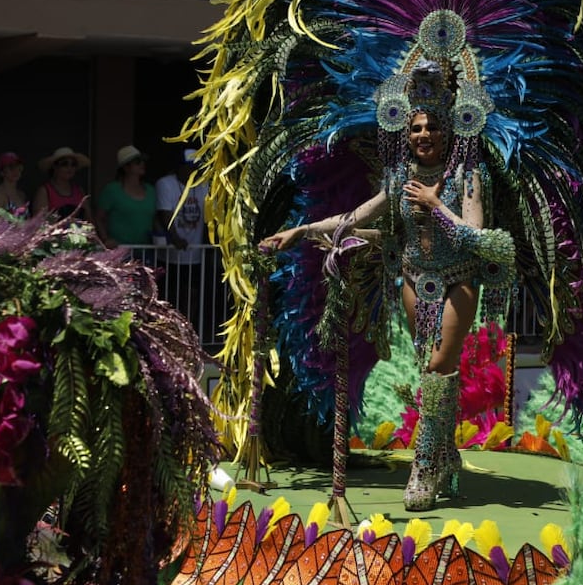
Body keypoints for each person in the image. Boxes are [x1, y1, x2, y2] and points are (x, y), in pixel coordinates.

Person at [260, 61, 513, 511]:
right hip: (415, 281)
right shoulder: (399, 179)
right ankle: (447, 455)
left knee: (438, 366)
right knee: (433, 373)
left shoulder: (467, 177)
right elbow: (356, 217)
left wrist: (436, 204)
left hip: (458, 282)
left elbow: (480, 238)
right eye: (416, 127)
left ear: (450, 129)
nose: (422, 135)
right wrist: (300, 232)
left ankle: (425, 465)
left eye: (432, 126)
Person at [155, 148, 210, 327]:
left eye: (196, 168)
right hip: (172, 254)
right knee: (172, 294)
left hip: (194, 253)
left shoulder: (202, 185)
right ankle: (170, 329)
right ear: (179, 167)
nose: (192, 171)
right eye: (189, 167)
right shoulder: (166, 184)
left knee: (192, 293)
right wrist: (175, 237)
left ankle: (187, 328)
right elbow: (165, 214)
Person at [96, 145, 157, 249]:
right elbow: (98, 218)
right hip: (120, 250)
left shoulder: (151, 190)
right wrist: (105, 238)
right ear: (126, 167)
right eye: (137, 161)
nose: (142, 164)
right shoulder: (112, 190)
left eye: (142, 161)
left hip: (146, 249)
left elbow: (154, 219)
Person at [33, 146, 91, 220]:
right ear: (54, 167)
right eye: (64, 164)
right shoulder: (45, 191)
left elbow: (89, 219)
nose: (69, 168)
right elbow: (39, 221)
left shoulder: (79, 191)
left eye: (73, 164)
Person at [0, 151, 29, 217]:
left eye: (18, 167)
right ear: (2, 172)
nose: (16, 170)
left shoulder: (21, 195)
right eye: (11, 167)